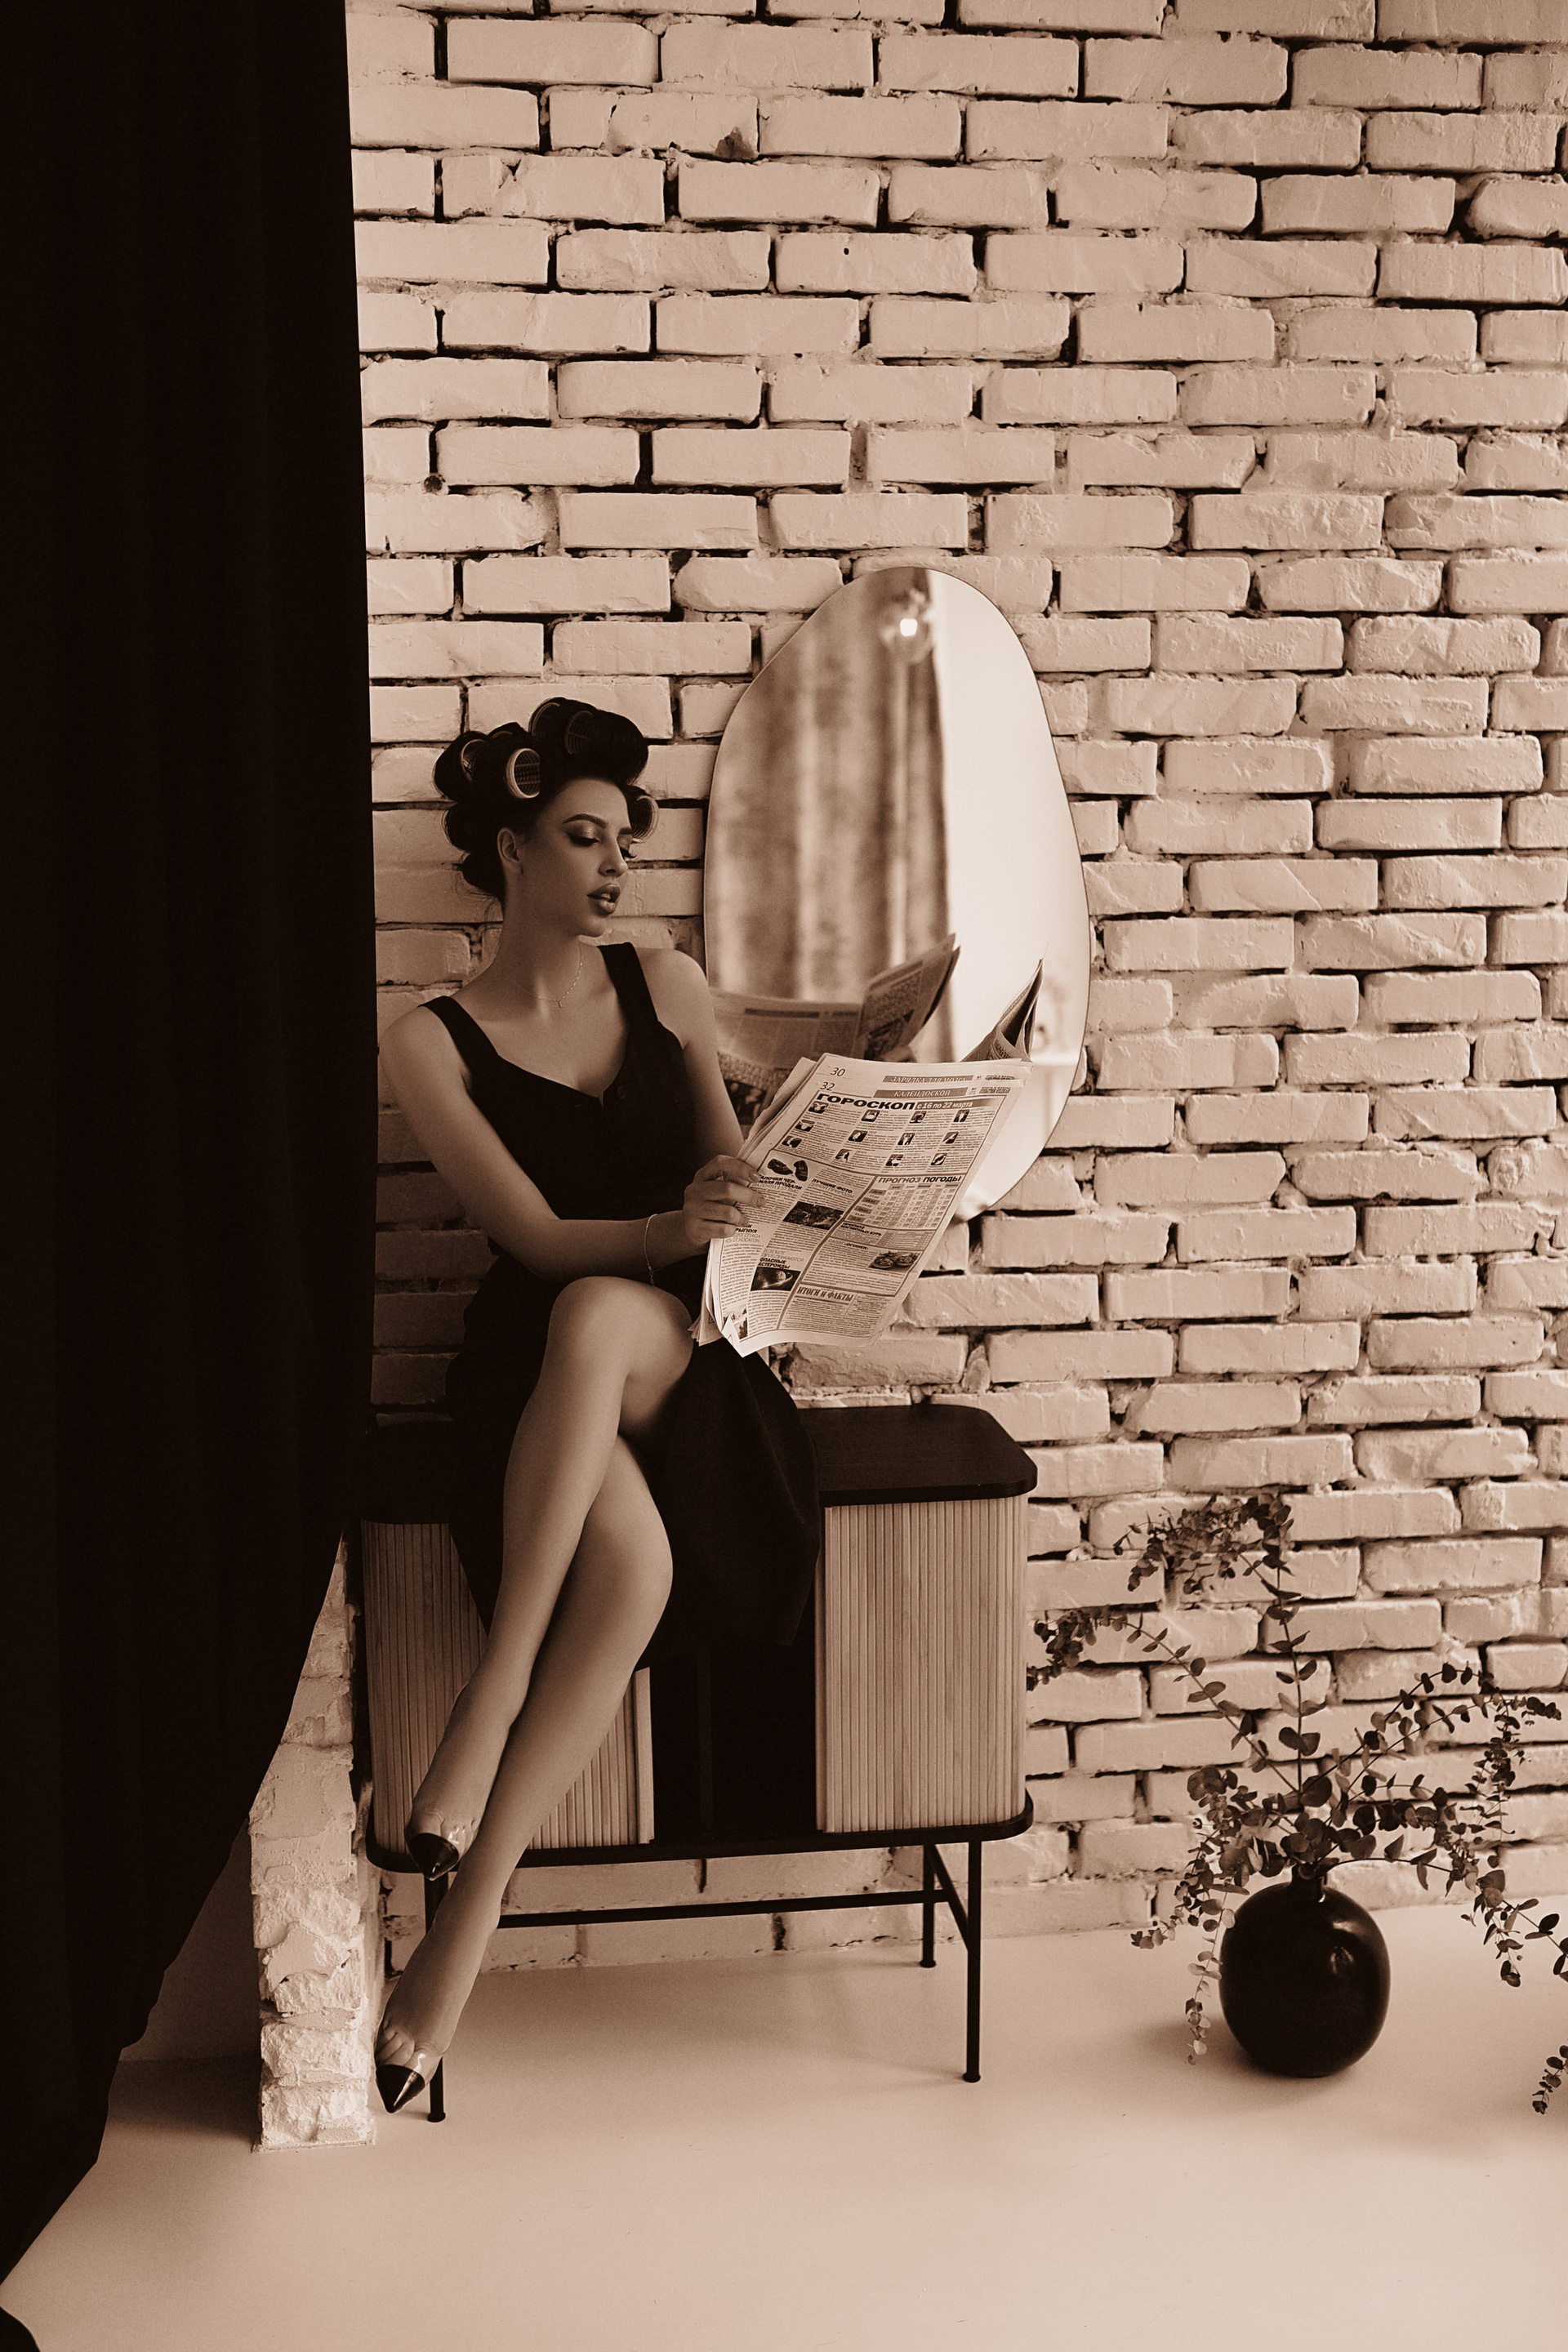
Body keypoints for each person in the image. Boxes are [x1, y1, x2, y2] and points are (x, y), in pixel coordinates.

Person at [374, 698, 819, 2114]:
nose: (618, 864)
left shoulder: (668, 983)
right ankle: (464, 1931)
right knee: (629, 1570)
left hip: (681, 1355)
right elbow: (533, 1238)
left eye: (626, 838)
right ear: (510, 851)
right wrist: (666, 1221)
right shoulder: (429, 1040)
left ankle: (490, 1695)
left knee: (603, 1315)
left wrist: (742, 1189)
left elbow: (729, 1189)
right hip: (539, 1360)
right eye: (583, 837)